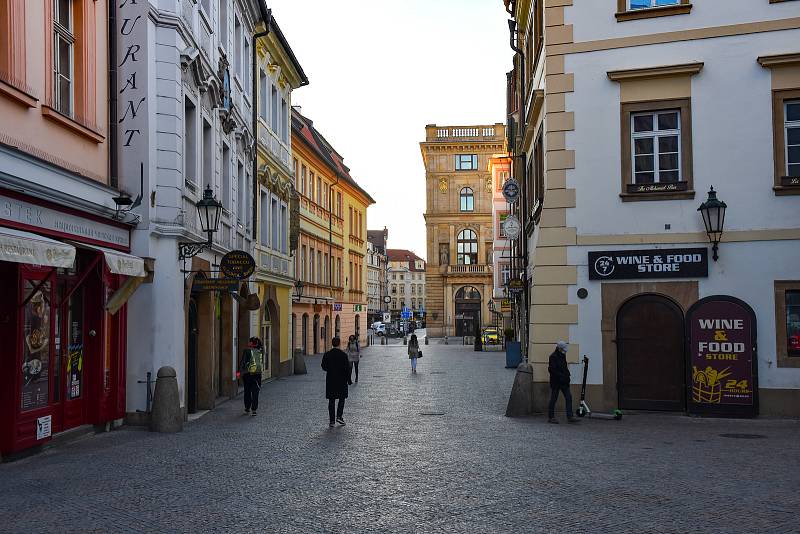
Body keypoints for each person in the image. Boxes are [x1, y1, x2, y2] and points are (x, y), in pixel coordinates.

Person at [321, 336, 349, 426]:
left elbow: (323, 366)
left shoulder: (327, 354)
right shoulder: (343, 355)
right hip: (341, 380)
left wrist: (330, 370)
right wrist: (348, 380)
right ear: (339, 343)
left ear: (332, 343)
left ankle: (332, 421)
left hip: (331, 379)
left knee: (331, 400)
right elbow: (347, 369)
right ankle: (339, 417)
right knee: (342, 399)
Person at [548, 340, 578, 424]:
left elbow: (564, 367)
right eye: (564, 349)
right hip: (556, 382)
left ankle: (570, 416)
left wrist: (567, 375)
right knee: (553, 399)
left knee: (569, 397)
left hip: (564, 381)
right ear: (559, 348)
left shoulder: (562, 355)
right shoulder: (553, 357)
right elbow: (552, 370)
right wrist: (562, 376)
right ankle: (551, 417)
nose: (565, 351)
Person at [239, 337, 264, 417]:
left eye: (249, 342)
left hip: (247, 374)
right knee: (255, 392)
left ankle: (247, 408)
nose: (248, 343)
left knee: (247, 391)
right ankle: (254, 410)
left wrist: (238, 373)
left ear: (252, 343)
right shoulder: (261, 351)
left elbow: (242, 362)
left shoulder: (247, 351)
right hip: (257, 374)